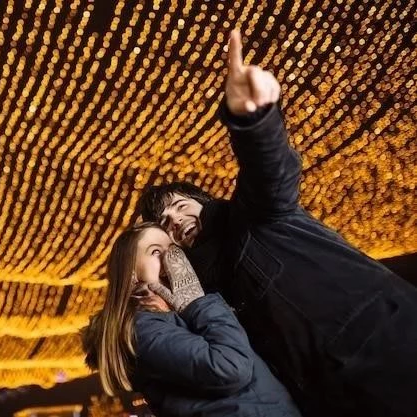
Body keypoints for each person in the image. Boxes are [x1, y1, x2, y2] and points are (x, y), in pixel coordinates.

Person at [136, 29, 417, 417]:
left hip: (393, 351)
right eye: (164, 223)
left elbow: (271, 172)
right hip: (339, 400)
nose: (175, 221)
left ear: (204, 202)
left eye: (181, 206)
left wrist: (254, 120)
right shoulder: (205, 294)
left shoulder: (254, 218)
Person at [82, 222, 302, 417]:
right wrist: (197, 302)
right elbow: (228, 367)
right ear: (130, 273)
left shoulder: (177, 316)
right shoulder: (141, 328)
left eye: (174, 251)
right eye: (156, 252)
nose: (172, 260)